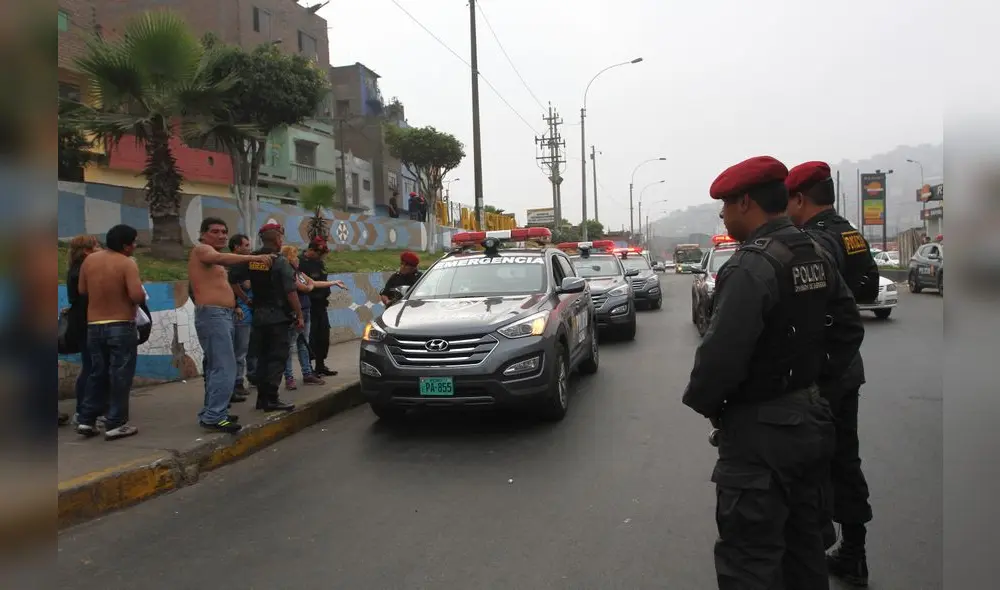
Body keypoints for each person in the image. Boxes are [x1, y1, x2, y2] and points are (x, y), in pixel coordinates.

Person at [681, 156, 865, 590]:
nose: (724, 215)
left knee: (750, 560)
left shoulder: (750, 266)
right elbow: (849, 328)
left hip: (760, 436)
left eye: (726, 206)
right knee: (805, 553)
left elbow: (719, 358)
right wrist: (813, 386)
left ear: (746, 202)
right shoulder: (815, 251)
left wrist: (710, 405)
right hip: (812, 425)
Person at [786, 161, 878, 586]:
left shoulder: (813, 240)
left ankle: (810, 556)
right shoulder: (851, 233)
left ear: (800, 199)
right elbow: (870, 288)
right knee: (847, 460)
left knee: (811, 464)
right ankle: (854, 553)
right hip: (848, 365)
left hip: (820, 370)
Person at [189, 218, 274, 434]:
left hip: (223, 314)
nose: (221, 235)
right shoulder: (203, 250)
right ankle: (215, 415)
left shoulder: (214, 258)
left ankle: (213, 412)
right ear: (203, 234)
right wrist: (252, 257)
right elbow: (218, 258)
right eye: (215, 231)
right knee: (224, 367)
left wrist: (234, 306)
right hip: (213, 315)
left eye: (224, 231)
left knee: (218, 366)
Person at [77, 224, 147, 440]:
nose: (135, 246)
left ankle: (87, 420)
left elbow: (82, 290)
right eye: (134, 242)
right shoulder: (126, 263)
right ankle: (116, 423)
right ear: (126, 245)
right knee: (120, 375)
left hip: (94, 325)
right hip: (120, 324)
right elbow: (137, 295)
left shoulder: (90, 260)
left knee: (97, 373)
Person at [247, 222, 301, 412]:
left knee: (262, 358)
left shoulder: (252, 258)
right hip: (277, 317)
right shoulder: (279, 261)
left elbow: (234, 279)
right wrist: (300, 315)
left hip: (258, 316)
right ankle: (271, 398)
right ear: (278, 240)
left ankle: (262, 399)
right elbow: (291, 292)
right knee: (277, 358)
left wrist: (246, 300)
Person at [281, 245, 346, 389]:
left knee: (303, 345)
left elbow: (314, 282)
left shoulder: (298, 273)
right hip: (295, 313)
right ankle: (289, 378)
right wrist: (309, 287)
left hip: (305, 311)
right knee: (290, 346)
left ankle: (307, 373)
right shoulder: (288, 273)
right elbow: (305, 287)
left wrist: (334, 283)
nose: (297, 259)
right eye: (295, 256)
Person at [66, 234, 101, 426]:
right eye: (96, 246)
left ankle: (87, 409)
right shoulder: (81, 271)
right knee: (92, 366)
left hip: (81, 321)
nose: (100, 249)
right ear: (87, 251)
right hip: (85, 323)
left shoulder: (76, 269)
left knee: (92, 365)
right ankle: (83, 410)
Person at [298, 237, 337, 377]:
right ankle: (308, 369)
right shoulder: (300, 263)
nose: (321, 257)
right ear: (310, 250)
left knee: (323, 337)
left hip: (321, 306)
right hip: (309, 306)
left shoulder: (319, 263)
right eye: (318, 253)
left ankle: (320, 365)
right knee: (311, 339)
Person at [228, 233, 254, 400]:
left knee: (246, 350)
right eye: (245, 245)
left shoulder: (244, 264)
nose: (248, 248)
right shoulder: (235, 266)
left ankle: (248, 377)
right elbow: (244, 285)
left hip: (248, 313)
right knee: (240, 351)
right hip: (241, 314)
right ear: (236, 247)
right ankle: (237, 382)